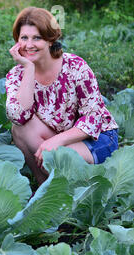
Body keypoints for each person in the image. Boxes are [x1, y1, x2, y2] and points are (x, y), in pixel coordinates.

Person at [6, 7, 119, 186]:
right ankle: (45, 189)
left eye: (37, 38)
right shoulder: (17, 74)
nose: (29, 45)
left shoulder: (75, 66)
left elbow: (94, 118)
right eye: (24, 38)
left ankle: (72, 191)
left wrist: (56, 142)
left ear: (51, 40)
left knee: (55, 157)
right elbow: (18, 116)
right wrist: (28, 69)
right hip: (57, 135)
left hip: (95, 138)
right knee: (19, 129)